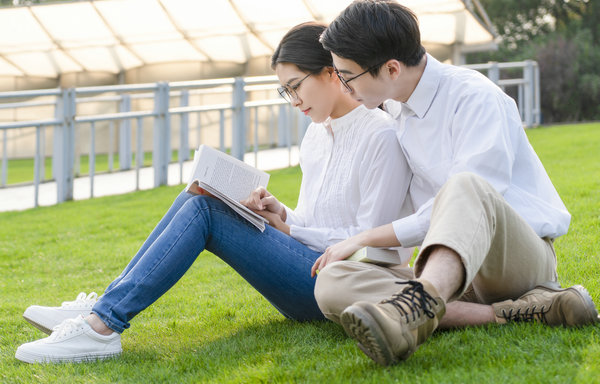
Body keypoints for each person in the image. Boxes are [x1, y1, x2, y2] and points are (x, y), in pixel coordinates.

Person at [15, 22, 412, 364]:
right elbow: (315, 222)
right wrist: (282, 216)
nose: (294, 101)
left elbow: (368, 245)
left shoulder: (380, 137)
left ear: (331, 72)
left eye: (296, 87)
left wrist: (291, 231)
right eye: (284, 91)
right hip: (307, 269)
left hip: (344, 287)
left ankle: (101, 327)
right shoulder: (316, 134)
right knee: (196, 195)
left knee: (205, 211)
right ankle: (103, 307)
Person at [311, 0, 600, 366]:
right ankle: (517, 312)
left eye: (347, 76)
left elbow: (474, 198)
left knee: (464, 185)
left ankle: (413, 308)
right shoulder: (397, 110)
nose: (343, 87)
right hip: (454, 273)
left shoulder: (475, 98)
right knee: (334, 282)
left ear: (392, 69)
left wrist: (367, 236)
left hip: (512, 261)